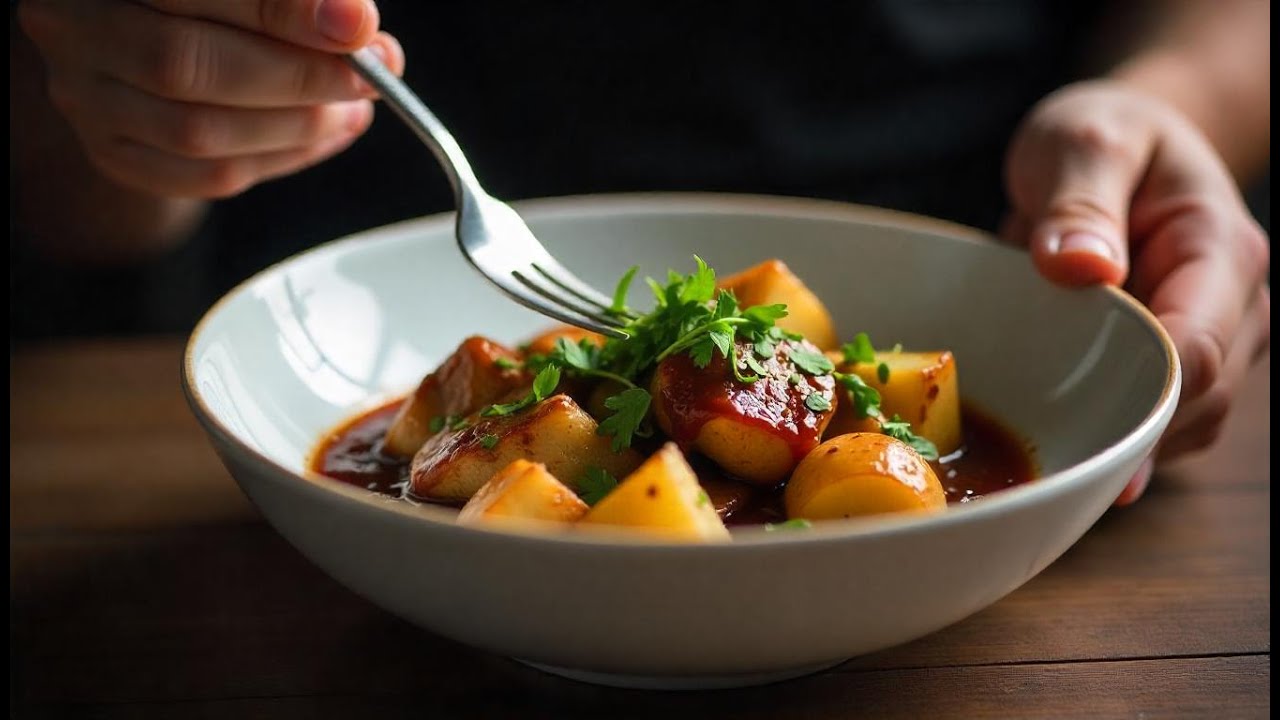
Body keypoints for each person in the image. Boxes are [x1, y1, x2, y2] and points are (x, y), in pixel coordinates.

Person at [10, 1, 1270, 505]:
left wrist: (1172, 101)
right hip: (330, 224)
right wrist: (126, 113)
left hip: (983, 216)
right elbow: (75, 203)